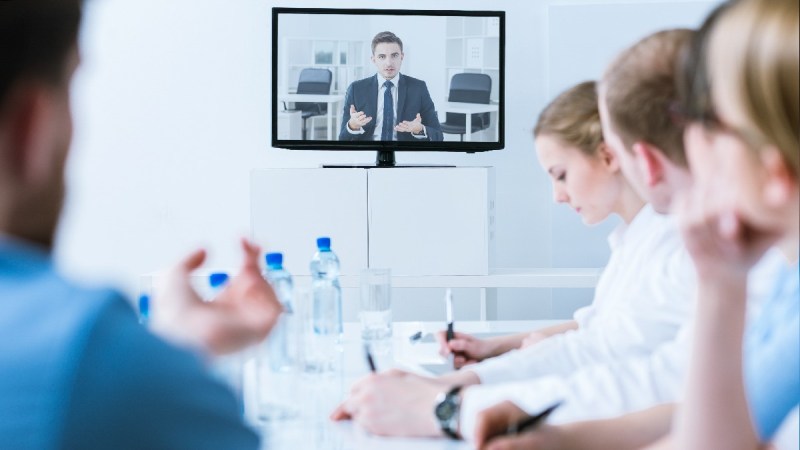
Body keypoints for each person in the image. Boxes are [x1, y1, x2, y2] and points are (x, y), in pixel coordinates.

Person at [473, 1, 800, 448]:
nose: (696, 146)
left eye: (711, 124)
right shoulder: (782, 281)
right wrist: (566, 438)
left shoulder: (736, 265)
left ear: (775, 169)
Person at [331, 78, 697, 439]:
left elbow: (619, 365)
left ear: (607, 155)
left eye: (561, 175)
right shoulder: (636, 240)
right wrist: (455, 382)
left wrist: (447, 402)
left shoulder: (678, 243)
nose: (557, 196)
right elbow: (595, 334)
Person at [0, 1, 283, 448]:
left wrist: (179, 343)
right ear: (32, 126)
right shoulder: (92, 358)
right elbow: (97, 388)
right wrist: (158, 364)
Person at [338, 31, 443, 142]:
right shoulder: (356, 89)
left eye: (394, 55)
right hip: (368, 152)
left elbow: (438, 136)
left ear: (402, 57)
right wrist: (352, 126)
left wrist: (420, 129)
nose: (389, 63)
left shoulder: (418, 88)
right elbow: (342, 139)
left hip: (405, 152)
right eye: (382, 56)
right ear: (373, 59)